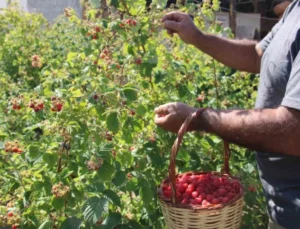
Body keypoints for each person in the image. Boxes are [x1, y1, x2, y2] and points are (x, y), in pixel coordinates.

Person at [154, 1, 300, 229]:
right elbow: (257, 55)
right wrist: (197, 37)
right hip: (284, 209)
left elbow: (294, 130)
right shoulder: (294, 10)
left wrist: (199, 118)